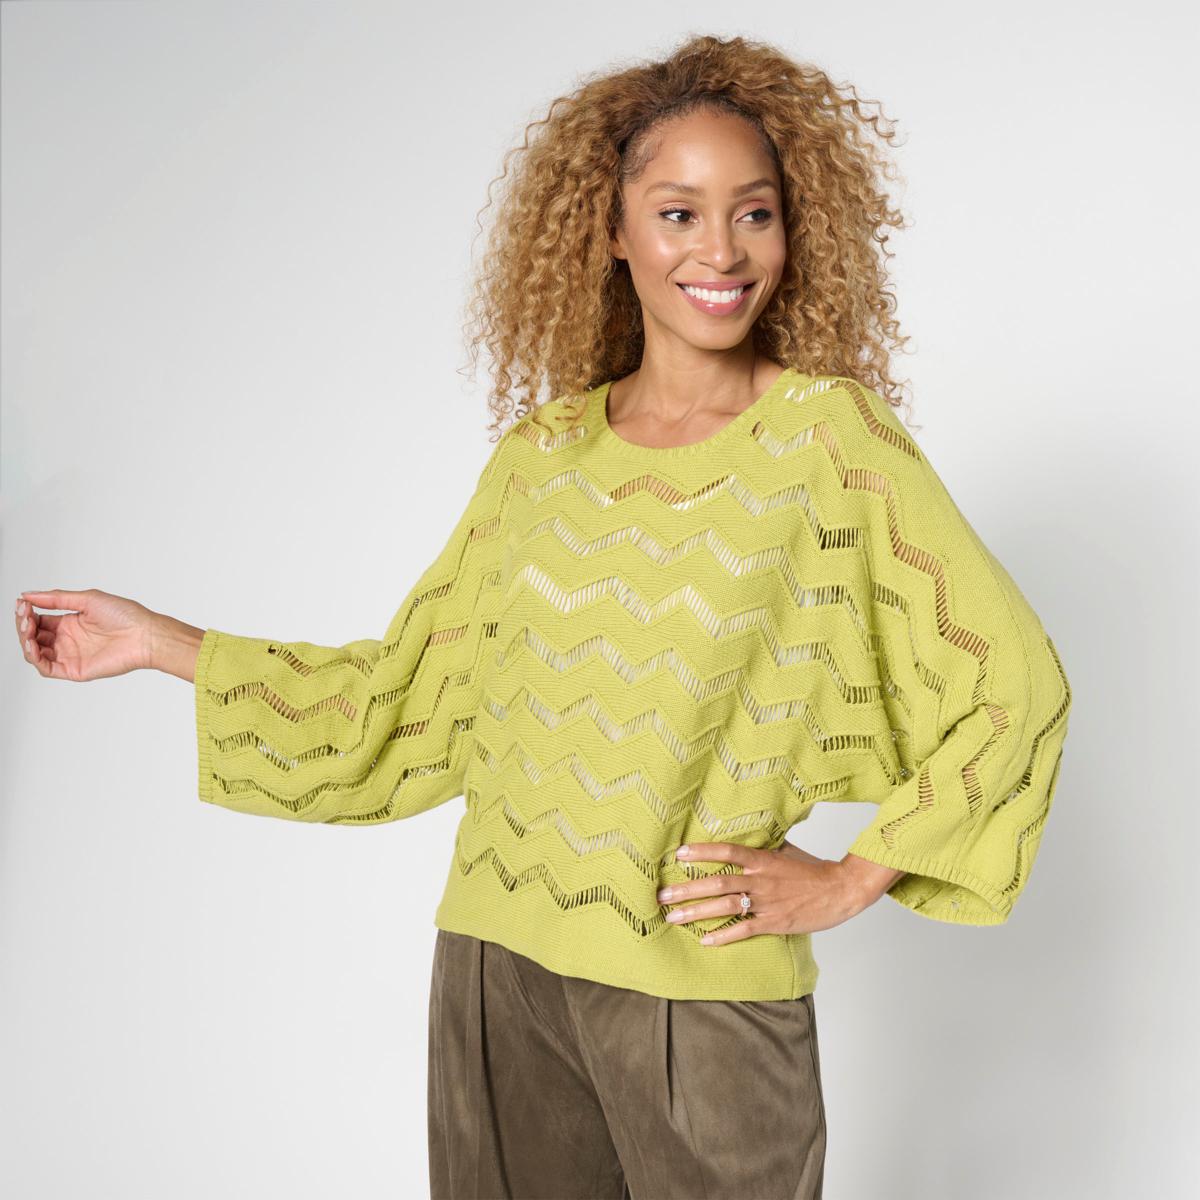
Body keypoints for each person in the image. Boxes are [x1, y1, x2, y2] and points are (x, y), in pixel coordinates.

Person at [14, 33, 1072, 1200]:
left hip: (700, 990)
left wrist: (847, 878)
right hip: (497, 971)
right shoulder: (543, 458)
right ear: (611, 231)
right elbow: (406, 695)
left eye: (755, 214)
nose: (721, 250)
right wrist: (159, 642)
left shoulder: (831, 444)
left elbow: (1011, 682)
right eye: (678, 214)